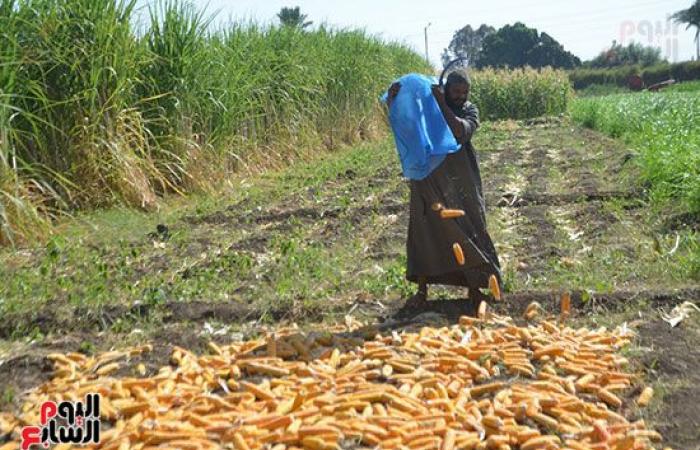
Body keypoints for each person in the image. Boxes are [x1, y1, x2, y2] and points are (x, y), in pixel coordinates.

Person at [386, 68, 502, 308]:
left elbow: (459, 131)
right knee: (425, 229)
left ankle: (475, 287)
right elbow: (406, 123)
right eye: (456, 91)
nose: (461, 96)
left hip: (462, 179)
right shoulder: (428, 109)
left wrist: (441, 103)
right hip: (429, 177)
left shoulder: (469, 110)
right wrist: (393, 100)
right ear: (446, 88)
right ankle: (422, 291)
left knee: (471, 227)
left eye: (465, 92)